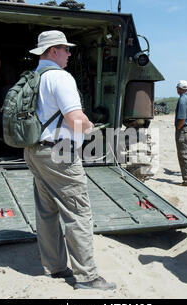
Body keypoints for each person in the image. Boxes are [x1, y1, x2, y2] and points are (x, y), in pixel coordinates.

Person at [23, 30, 116, 290]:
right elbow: (75, 120)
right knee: (78, 213)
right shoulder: (61, 78)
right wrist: (90, 129)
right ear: (53, 51)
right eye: (66, 49)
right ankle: (87, 277)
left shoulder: (33, 77)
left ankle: (55, 267)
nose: (69, 53)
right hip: (60, 152)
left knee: (47, 210)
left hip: (34, 150)